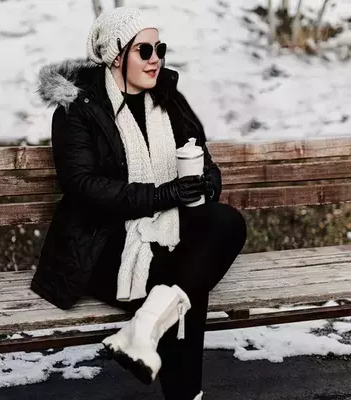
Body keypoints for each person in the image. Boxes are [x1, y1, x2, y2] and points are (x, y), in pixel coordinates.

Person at [31, 7, 247, 400]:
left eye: (159, 49)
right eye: (143, 50)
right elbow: (83, 185)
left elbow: (203, 158)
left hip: (167, 226)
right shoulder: (78, 108)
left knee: (227, 223)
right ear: (116, 55)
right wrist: (164, 194)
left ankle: (143, 327)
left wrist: (205, 183)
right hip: (100, 242)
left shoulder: (167, 98)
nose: (155, 59)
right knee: (181, 278)